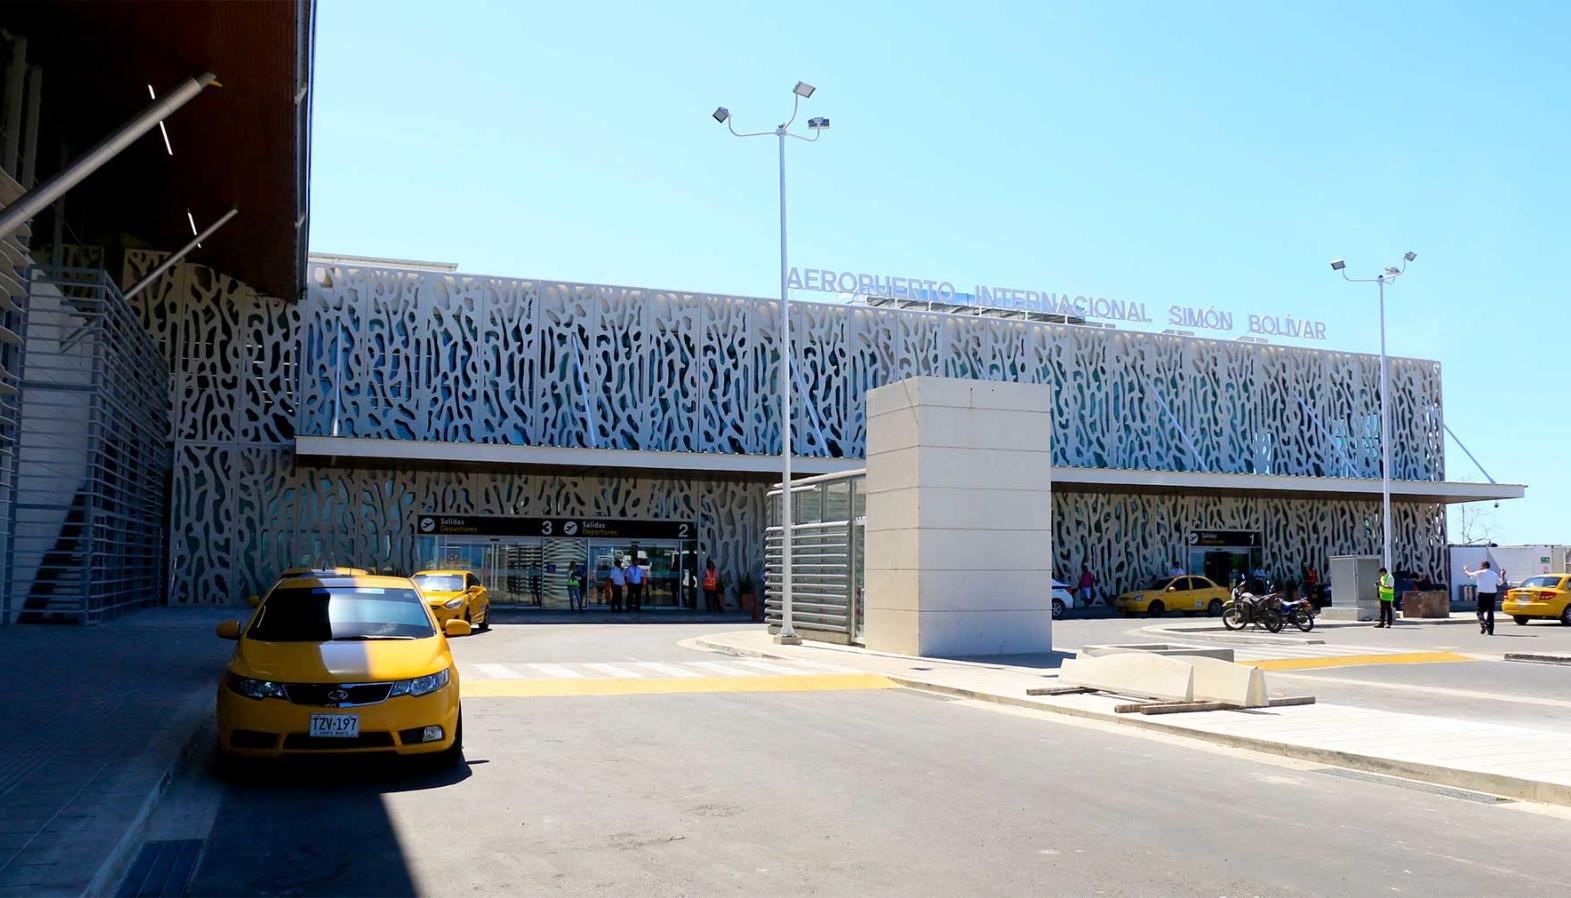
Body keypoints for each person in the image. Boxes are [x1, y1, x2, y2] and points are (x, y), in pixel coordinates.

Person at [1462, 561, 1502, 635]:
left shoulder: (1480, 573)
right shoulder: (1494, 574)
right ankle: (1490, 630)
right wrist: (1502, 575)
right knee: (1490, 612)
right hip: (1492, 595)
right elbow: (1500, 583)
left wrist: (1465, 570)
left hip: (1482, 594)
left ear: (1484, 566)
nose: (1480, 567)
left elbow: (1469, 575)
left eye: (1481, 565)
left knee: (1479, 611)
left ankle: (1483, 623)